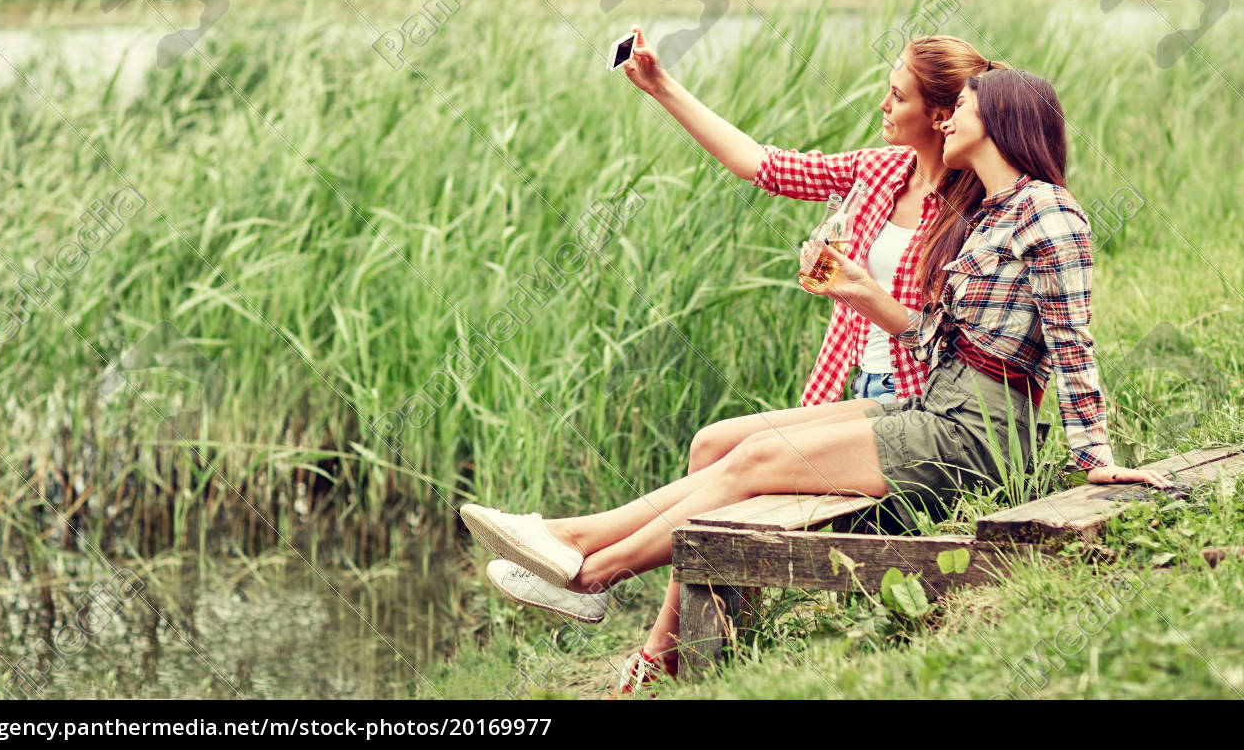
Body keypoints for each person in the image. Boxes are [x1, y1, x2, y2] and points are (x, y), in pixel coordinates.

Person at [462, 67, 1171, 696]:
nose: (949, 118)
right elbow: (938, 334)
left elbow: (1073, 341)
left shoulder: (1050, 213)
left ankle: (586, 568)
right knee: (746, 444)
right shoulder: (986, 213)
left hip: (977, 434)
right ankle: (571, 548)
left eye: (965, 108)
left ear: (1003, 121)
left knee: (757, 461)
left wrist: (1096, 457)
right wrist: (862, 290)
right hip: (936, 404)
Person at [619, 27, 1005, 484]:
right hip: (854, 383)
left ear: (941, 116)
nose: (883, 105)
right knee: (709, 445)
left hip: (915, 398)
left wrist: (856, 288)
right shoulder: (880, 170)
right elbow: (762, 165)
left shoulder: (979, 206)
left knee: (745, 462)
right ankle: (686, 555)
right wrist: (660, 85)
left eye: (898, 97)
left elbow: (962, 338)